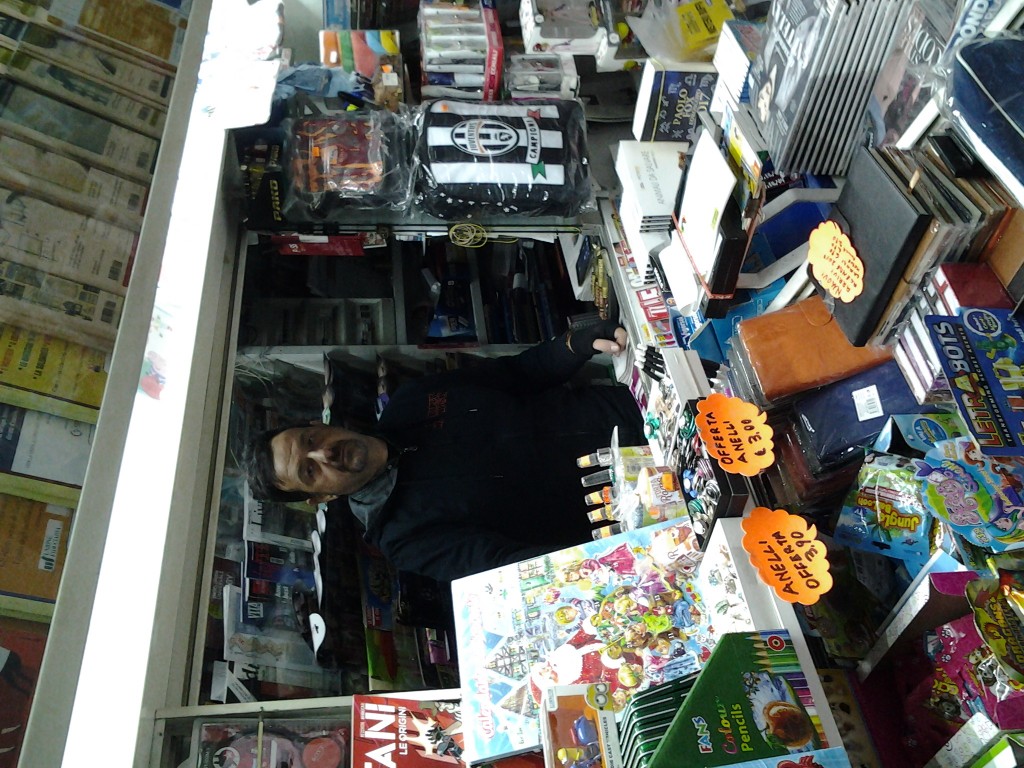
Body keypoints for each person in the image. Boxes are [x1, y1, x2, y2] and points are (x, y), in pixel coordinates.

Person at [244, 320, 647, 582]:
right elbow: (525, 566)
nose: (324, 455)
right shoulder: (404, 540)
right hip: (644, 502)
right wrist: (631, 556)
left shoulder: (410, 401)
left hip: (639, 407)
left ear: (318, 425)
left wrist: (574, 344)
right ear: (321, 498)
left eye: (310, 442)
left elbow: (516, 374)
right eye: (309, 471)